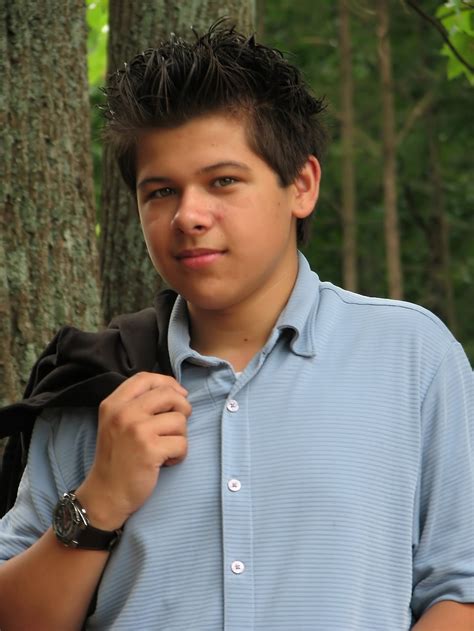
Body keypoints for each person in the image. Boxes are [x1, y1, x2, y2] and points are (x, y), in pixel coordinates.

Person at [0, 22, 473, 631]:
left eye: (223, 181)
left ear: (301, 184)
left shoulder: (412, 357)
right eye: (161, 191)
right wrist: (100, 500)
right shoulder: (96, 386)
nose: (189, 216)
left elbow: (459, 590)